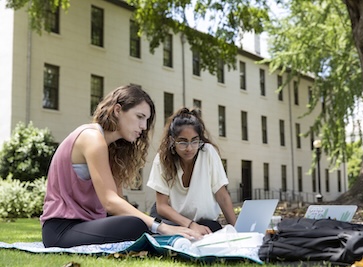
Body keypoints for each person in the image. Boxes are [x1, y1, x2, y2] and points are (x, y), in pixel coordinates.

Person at [40, 84, 201, 248]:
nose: (144, 126)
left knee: (135, 222)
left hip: (89, 224)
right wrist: (162, 227)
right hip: (62, 229)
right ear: (117, 110)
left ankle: (176, 237)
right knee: (134, 225)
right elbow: (110, 202)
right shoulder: (92, 138)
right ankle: (169, 238)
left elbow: (118, 204)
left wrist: (162, 226)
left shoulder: (112, 149)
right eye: (139, 117)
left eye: (146, 120)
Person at [147, 107, 237, 235]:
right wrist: (190, 225)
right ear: (172, 141)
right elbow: (162, 206)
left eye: (194, 141)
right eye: (183, 142)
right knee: (162, 231)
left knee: (211, 229)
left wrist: (238, 231)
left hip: (203, 222)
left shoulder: (208, 152)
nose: (189, 148)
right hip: (172, 220)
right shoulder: (163, 158)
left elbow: (222, 197)